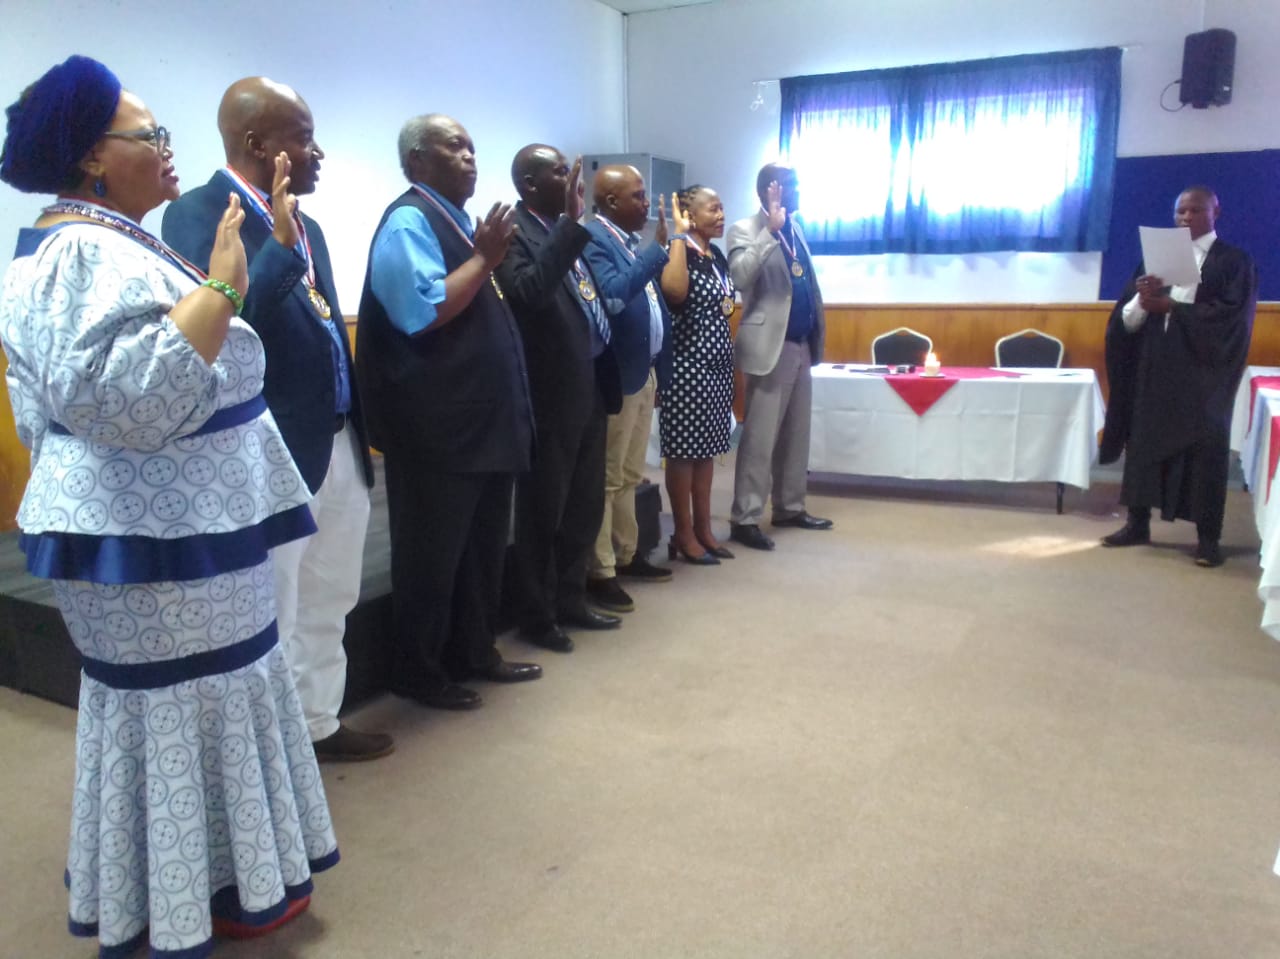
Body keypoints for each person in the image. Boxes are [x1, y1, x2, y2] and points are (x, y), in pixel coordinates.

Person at [0, 56, 337, 956]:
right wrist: (223, 287)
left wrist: (230, 284)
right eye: (149, 135)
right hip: (154, 547)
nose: (166, 147)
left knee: (211, 701)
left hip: (182, 532)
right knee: (183, 707)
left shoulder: (111, 239)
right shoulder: (80, 251)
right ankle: (186, 899)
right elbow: (128, 398)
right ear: (91, 157)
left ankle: (222, 884)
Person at [163, 77, 391, 762]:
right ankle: (266, 758)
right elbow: (227, 329)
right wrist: (279, 248)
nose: (318, 152)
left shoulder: (308, 224)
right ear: (258, 144)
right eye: (304, 138)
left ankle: (318, 723)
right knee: (275, 604)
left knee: (331, 592)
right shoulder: (199, 213)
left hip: (337, 437)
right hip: (271, 448)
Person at [356, 114, 540, 710]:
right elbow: (422, 311)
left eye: (472, 148)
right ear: (417, 161)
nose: (470, 157)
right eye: (454, 146)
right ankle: (418, 670)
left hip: (480, 427)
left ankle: (474, 652)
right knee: (431, 558)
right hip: (437, 431)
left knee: (481, 552)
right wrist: (484, 259)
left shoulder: (461, 225)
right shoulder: (409, 220)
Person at [497, 145, 624, 653]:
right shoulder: (514, 232)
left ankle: (571, 599)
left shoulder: (561, 230)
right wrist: (571, 228)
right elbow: (527, 293)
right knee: (543, 510)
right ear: (529, 184)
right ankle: (538, 614)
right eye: (559, 171)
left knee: (583, 505)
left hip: (589, 383)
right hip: (549, 393)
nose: (574, 180)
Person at [1099, 186, 1256, 567]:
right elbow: (1126, 323)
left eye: (1195, 210)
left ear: (1216, 212)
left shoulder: (1234, 262)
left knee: (1204, 453)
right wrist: (1143, 299)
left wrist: (1171, 306)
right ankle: (1137, 524)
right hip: (1154, 370)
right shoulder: (1156, 261)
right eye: (1180, 211)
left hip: (1203, 377)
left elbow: (1231, 321)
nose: (1185, 217)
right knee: (1143, 445)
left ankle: (1208, 539)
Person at [725, 163, 832, 551]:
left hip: (801, 344)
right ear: (771, 190)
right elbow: (740, 276)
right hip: (770, 346)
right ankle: (745, 517)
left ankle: (789, 506)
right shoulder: (744, 229)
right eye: (793, 184)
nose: (800, 190)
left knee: (796, 434)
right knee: (760, 437)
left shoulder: (796, 228)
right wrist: (769, 231)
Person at [581, 164, 673, 613]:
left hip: (643, 371)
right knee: (608, 477)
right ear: (611, 202)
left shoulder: (629, 242)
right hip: (618, 375)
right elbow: (615, 296)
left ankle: (626, 553)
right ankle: (601, 571)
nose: (646, 203)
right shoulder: (594, 239)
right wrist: (657, 252)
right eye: (637, 195)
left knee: (631, 475)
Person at [658, 185, 736, 564]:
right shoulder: (678, 251)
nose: (721, 215)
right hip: (686, 368)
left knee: (706, 452)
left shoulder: (715, 255)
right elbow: (674, 292)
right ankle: (683, 533)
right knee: (683, 453)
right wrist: (677, 235)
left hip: (718, 368)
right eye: (713, 209)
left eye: (722, 208)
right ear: (689, 215)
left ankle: (704, 530)